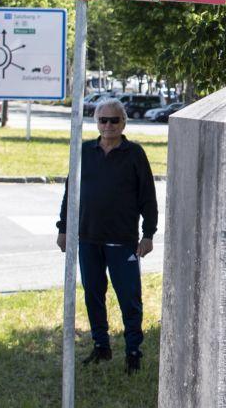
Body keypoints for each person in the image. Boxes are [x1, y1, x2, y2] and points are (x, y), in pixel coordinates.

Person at [55, 100, 158, 373]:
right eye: (103, 120)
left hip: (122, 240)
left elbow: (148, 197)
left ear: (124, 123)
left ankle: (133, 351)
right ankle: (101, 346)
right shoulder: (84, 151)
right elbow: (70, 193)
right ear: (96, 122)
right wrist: (63, 228)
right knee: (93, 295)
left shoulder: (134, 153)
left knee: (129, 299)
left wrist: (148, 234)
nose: (108, 126)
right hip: (88, 238)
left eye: (114, 120)